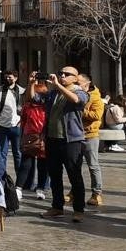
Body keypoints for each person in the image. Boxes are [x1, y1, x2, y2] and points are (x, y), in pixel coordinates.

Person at [34, 66, 88, 222]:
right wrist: (32, 83)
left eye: (67, 74)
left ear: (75, 78)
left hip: (71, 140)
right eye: (60, 73)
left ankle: (78, 209)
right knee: (55, 175)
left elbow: (77, 100)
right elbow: (35, 99)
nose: (62, 75)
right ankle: (57, 207)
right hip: (52, 139)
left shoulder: (80, 91)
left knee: (74, 175)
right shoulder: (53, 93)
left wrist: (57, 85)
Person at [16, 76, 50, 201]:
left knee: (43, 165)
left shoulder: (47, 107)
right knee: (26, 163)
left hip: (43, 137)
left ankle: (41, 188)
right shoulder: (28, 106)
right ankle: (19, 188)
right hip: (30, 136)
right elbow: (23, 121)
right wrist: (22, 136)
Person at [0, 71, 24, 178]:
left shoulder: (22, 91)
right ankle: (1, 176)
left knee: (18, 154)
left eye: (10, 77)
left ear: (16, 78)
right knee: (2, 154)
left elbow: (26, 108)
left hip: (17, 126)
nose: (8, 79)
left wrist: (23, 121)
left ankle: (20, 179)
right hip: (1, 127)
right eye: (6, 77)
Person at [79, 73, 105, 206]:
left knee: (93, 165)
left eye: (79, 83)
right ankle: (75, 192)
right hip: (75, 135)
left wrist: (80, 110)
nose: (76, 85)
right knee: (74, 166)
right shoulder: (74, 94)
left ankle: (97, 193)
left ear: (87, 84)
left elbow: (97, 115)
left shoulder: (96, 98)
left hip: (90, 135)